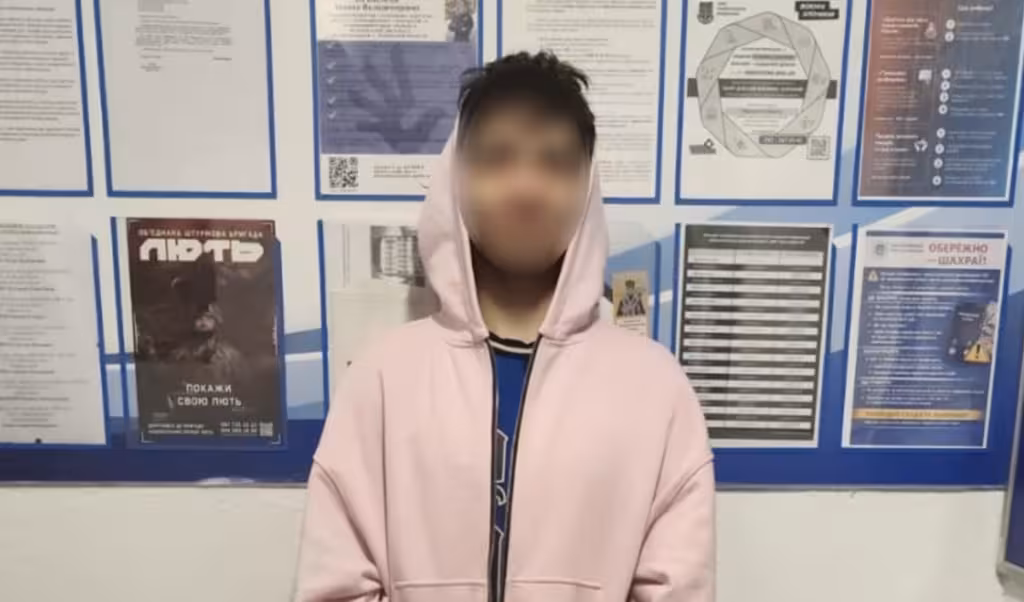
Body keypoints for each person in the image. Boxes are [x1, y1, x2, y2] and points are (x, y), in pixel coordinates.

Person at [295, 52, 714, 602]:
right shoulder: (382, 378)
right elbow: (336, 583)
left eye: (555, 162)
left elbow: (676, 589)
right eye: (497, 158)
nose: (526, 186)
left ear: (587, 188)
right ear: (455, 181)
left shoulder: (655, 388)